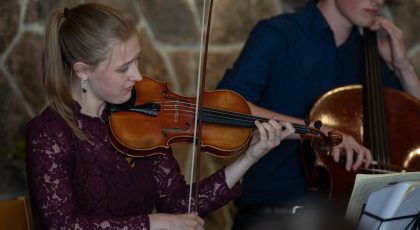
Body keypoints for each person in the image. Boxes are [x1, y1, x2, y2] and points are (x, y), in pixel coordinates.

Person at [24, 3, 295, 229]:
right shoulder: (49, 133)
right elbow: (62, 225)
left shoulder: (142, 118)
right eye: (123, 68)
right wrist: (153, 223)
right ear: (83, 70)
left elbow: (177, 204)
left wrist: (250, 156)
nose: (138, 76)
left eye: (137, 60)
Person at [217, 0, 420, 229]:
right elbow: (226, 108)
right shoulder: (278, 34)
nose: (379, 0)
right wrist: (317, 130)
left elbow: (414, 121)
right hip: (273, 218)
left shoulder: (367, 53)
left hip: (338, 221)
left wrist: (403, 67)